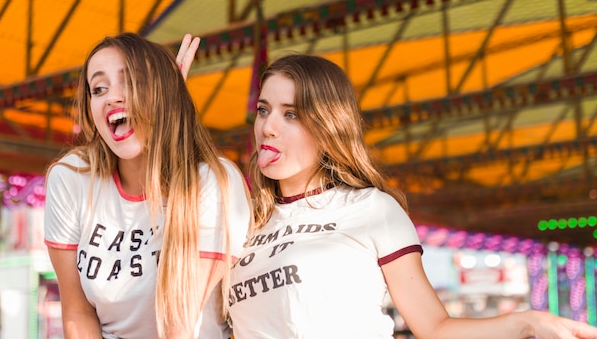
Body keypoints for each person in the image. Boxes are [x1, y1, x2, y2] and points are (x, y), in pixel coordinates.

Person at [220, 53, 597, 339]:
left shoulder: (371, 209)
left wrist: (528, 322)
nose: (267, 127)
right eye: (263, 110)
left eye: (291, 114)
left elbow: (434, 327)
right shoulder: (242, 223)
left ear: (328, 124)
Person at [43, 32, 252, 339]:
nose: (112, 96)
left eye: (131, 82)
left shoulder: (212, 180)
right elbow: (77, 312)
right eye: (99, 88)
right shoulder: (70, 178)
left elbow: (177, 325)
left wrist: (164, 109)